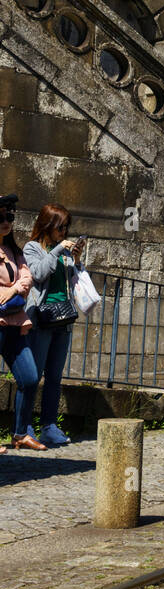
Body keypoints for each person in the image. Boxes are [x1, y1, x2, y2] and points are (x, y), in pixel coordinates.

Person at [22, 204, 81, 448]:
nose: (64, 232)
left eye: (67, 227)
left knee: (54, 377)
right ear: (48, 225)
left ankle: (49, 426)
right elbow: (37, 273)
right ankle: (23, 428)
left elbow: (73, 279)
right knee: (32, 377)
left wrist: (76, 259)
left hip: (63, 319)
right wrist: (57, 250)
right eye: (60, 227)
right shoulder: (32, 248)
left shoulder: (65, 251)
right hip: (42, 319)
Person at [0, 192, 42, 453]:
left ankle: (20, 433)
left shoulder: (14, 250)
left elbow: (28, 279)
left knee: (29, 377)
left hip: (16, 323)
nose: (6, 221)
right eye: (0, 216)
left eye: (10, 216)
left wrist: (13, 290)